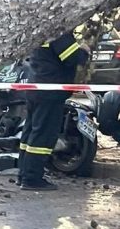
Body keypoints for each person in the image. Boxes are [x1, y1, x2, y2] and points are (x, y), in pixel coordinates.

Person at [19, 31, 91, 191]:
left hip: (36, 88)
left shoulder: (42, 30)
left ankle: (23, 174)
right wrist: (84, 51)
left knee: (30, 133)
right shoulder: (60, 32)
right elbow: (72, 58)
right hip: (50, 93)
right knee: (43, 136)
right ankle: (32, 178)